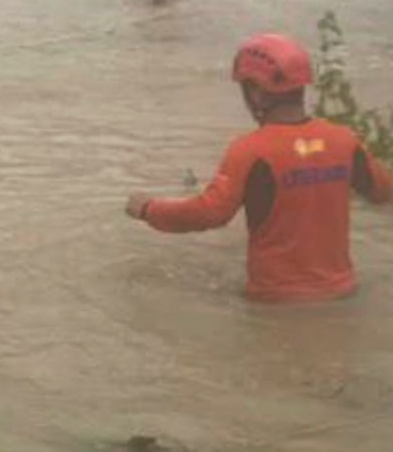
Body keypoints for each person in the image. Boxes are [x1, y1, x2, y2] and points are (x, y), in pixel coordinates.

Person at [126, 33, 392, 303]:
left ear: (255, 91)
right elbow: (383, 192)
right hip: (343, 294)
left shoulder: (250, 150)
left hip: (275, 300)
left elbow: (210, 213)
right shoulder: (344, 140)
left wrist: (149, 209)